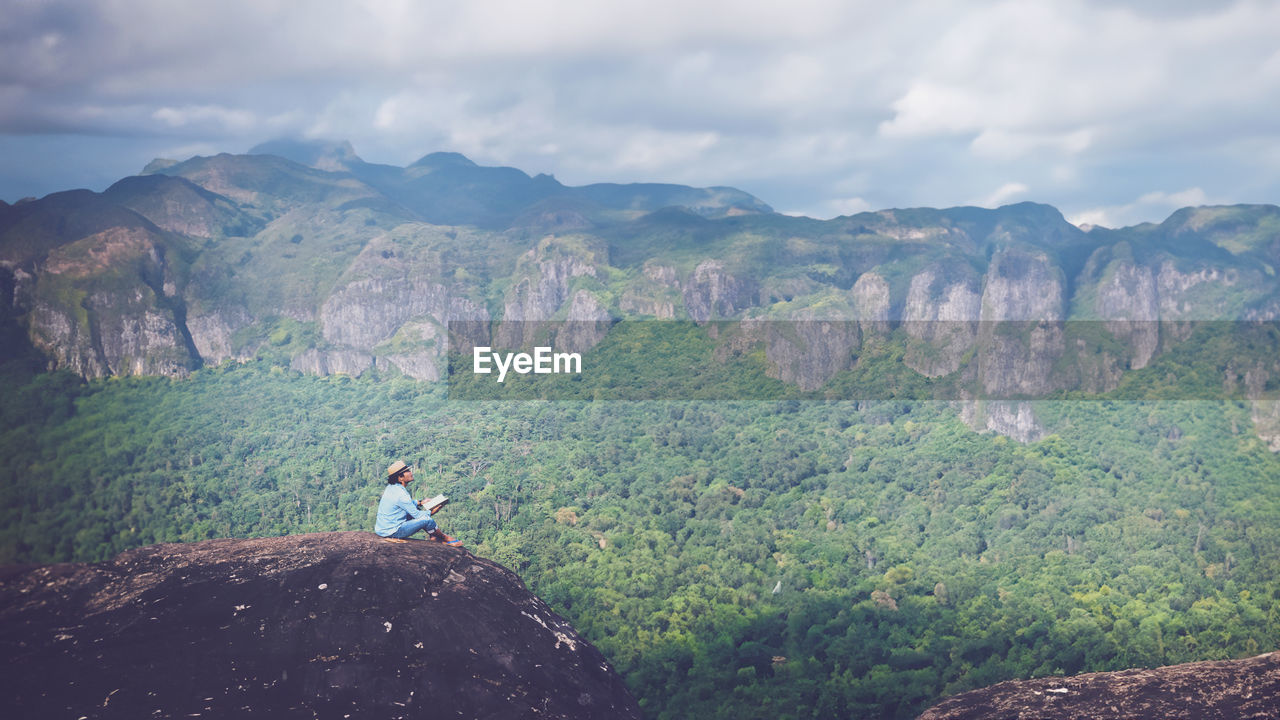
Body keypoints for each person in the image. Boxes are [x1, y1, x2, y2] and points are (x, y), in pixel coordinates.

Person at [375, 460, 462, 545]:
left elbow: (404, 504)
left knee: (418, 510)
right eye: (407, 471)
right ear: (400, 477)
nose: (411, 473)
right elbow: (417, 515)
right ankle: (445, 538)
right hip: (393, 531)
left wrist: (420, 502)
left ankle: (434, 536)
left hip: (383, 529)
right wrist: (432, 511)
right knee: (427, 520)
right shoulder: (401, 495)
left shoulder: (391, 487)